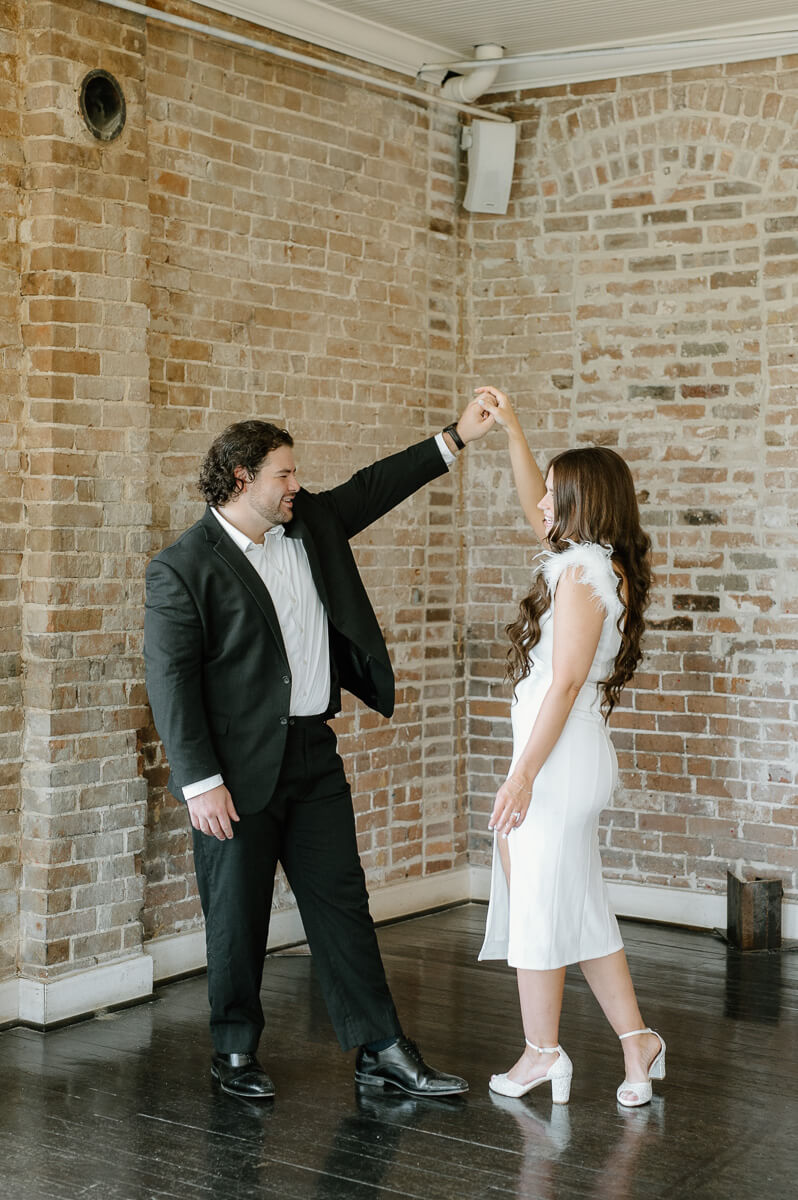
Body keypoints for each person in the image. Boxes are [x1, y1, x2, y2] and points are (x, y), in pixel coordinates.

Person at [143, 402, 495, 1100]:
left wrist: (456, 436)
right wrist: (199, 782)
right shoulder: (182, 567)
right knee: (236, 916)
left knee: (342, 904)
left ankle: (382, 1048)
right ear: (243, 478)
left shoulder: (307, 525)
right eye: (285, 472)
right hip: (233, 774)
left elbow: (376, 484)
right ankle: (234, 1053)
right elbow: (170, 681)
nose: (296, 483)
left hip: (313, 754)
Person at [475, 385, 665, 1109]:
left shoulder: (582, 572)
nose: (540, 508)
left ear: (583, 504)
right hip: (567, 756)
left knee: (538, 906)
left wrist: (520, 777)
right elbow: (534, 503)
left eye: (556, 496)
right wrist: (514, 432)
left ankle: (540, 1054)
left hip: (556, 763)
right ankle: (636, 1042)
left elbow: (565, 682)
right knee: (576, 906)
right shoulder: (591, 560)